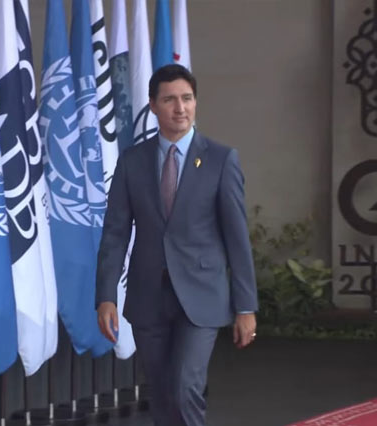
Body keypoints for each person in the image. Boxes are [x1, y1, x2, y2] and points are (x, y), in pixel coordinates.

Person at [96, 64, 258, 426]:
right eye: (169, 100)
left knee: (186, 386)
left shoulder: (220, 159)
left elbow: (237, 237)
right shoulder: (132, 161)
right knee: (163, 393)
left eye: (186, 98)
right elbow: (116, 232)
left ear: (196, 103)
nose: (179, 108)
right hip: (148, 295)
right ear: (153, 105)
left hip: (202, 297)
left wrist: (246, 306)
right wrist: (106, 294)